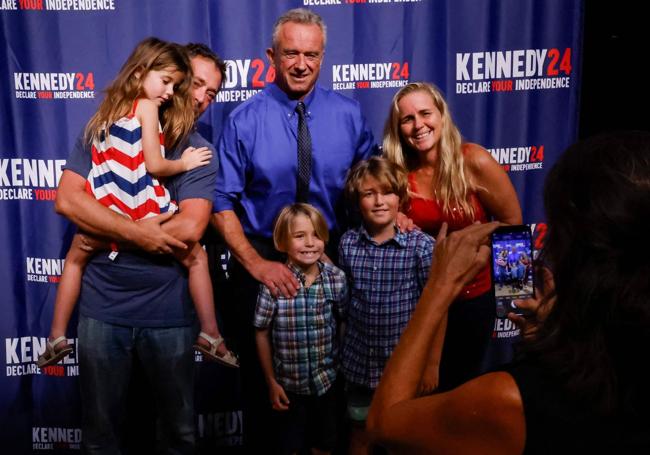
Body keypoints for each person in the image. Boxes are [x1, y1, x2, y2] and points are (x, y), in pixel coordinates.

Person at [367, 132, 650, 454]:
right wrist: (552, 340)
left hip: (473, 296)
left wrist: (440, 286)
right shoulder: (402, 175)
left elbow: (383, 425)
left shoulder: (505, 399)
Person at [211, 8, 376, 449]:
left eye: (311, 54)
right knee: (267, 395)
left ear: (323, 57)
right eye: (290, 53)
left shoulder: (349, 115)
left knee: (333, 386)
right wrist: (257, 265)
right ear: (272, 56)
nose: (301, 63)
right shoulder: (244, 119)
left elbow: (373, 182)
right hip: (263, 255)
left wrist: (393, 212)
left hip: (331, 253)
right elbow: (221, 202)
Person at [53, 40, 227, 453]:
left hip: (167, 313)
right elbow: (68, 200)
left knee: (179, 434)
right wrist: (139, 232)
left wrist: (107, 230)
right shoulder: (103, 126)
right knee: (100, 434)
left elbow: (190, 227)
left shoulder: (198, 152)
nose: (200, 97)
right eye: (195, 84)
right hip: (102, 309)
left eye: (211, 92)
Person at [383, 81, 522, 390]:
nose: (418, 125)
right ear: (399, 128)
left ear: (441, 116)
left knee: (459, 387)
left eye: (425, 113)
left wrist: (515, 300)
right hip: (420, 302)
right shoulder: (396, 173)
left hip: (473, 300)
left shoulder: (473, 160)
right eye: (407, 119)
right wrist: (396, 218)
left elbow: (512, 224)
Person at [338, 157, 434, 455]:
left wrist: (432, 363)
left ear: (400, 198)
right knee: (359, 434)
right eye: (369, 194)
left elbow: (434, 310)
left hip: (403, 367)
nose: (379, 201)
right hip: (358, 366)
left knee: (402, 438)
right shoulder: (348, 244)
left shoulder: (421, 246)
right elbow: (346, 305)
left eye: (388, 192)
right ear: (358, 201)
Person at [254, 203, 347, 455]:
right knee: (290, 446)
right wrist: (271, 382)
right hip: (288, 386)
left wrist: (338, 366)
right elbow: (261, 332)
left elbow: (342, 321)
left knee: (324, 445)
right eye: (299, 236)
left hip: (326, 384)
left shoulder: (336, 278)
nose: (310, 243)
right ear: (282, 242)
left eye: (316, 235)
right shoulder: (274, 282)